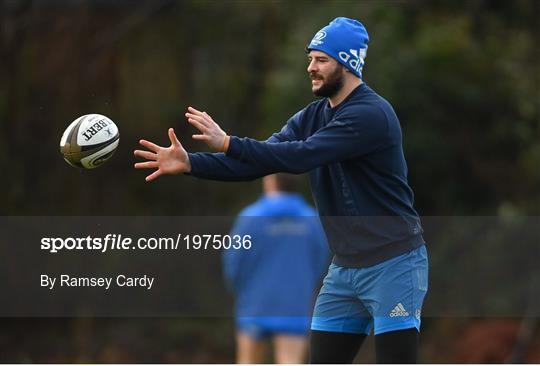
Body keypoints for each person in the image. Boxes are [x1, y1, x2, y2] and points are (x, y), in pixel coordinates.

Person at [134, 17, 429, 364]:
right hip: (345, 269)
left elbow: (300, 156)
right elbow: (261, 160)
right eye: (310, 59)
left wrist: (228, 142)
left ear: (347, 63)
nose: (311, 68)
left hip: (392, 262)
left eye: (321, 59)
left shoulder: (370, 115)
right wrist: (192, 163)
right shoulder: (312, 116)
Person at [223, 173, 330, 363]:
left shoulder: (250, 217)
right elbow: (321, 261)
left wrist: (239, 290)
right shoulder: (312, 220)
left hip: (255, 304)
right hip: (295, 304)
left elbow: (234, 262)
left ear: (269, 180)